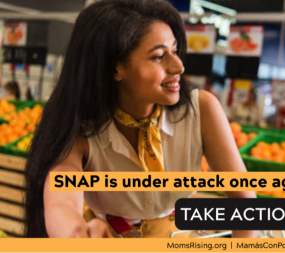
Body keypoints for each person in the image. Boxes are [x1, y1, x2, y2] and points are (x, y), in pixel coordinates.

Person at [24, 0, 257, 238]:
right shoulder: (80, 127)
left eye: (175, 51)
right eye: (158, 56)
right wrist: (75, 233)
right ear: (115, 68)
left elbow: (245, 200)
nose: (178, 66)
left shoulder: (202, 111)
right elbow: (60, 203)